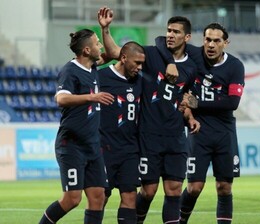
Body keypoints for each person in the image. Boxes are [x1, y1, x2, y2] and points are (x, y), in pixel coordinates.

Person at [98, 7, 200, 224]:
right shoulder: (151, 54)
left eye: (176, 32)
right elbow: (117, 51)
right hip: (148, 136)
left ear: (187, 37)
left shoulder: (192, 66)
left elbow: (187, 97)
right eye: (168, 30)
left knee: (174, 189)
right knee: (149, 191)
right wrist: (105, 29)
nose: (170, 35)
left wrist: (190, 111)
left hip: (175, 136)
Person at [155, 22, 245, 224]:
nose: (211, 45)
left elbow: (233, 102)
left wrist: (197, 103)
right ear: (202, 40)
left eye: (216, 40)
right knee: (194, 187)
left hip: (225, 133)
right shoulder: (195, 55)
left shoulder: (235, 66)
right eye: (207, 39)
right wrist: (170, 61)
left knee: (224, 187)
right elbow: (160, 41)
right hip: (199, 131)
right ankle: (179, 221)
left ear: (225, 43)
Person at [39, 28, 114, 224]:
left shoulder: (94, 66)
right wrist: (92, 97)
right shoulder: (70, 71)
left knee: (98, 196)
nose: (100, 46)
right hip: (71, 144)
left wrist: (105, 29)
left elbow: (113, 54)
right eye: (97, 43)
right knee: (72, 199)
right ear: (87, 50)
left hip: (92, 145)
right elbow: (61, 99)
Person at [98, 41, 145, 223]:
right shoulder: (101, 76)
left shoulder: (140, 80)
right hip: (104, 147)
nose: (140, 68)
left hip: (130, 149)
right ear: (123, 58)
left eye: (142, 64)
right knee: (100, 197)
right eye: (137, 63)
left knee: (130, 198)